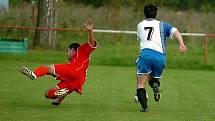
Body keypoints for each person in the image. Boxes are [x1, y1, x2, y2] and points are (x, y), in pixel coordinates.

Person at [20, 18, 98, 105]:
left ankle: (34, 74)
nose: (67, 54)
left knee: (48, 68)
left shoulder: (81, 50)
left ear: (72, 50)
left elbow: (91, 44)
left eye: (67, 51)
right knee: (47, 93)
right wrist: (58, 101)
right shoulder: (78, 60)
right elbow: (69, 85)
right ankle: (57, 97)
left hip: (74, 70)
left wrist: (90, 31)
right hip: (79, 81)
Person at [135, 4, 187, 112]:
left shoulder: (140, 25)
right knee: (153, 79)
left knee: (141, 83)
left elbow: (142, 41)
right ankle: (155, 85)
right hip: (160, 56)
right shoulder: (162, 25)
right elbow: (175, 31)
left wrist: (140, 57)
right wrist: (181, 44)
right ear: (156, 14)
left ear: (144, 14)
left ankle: (144, 108)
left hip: (145, 54)